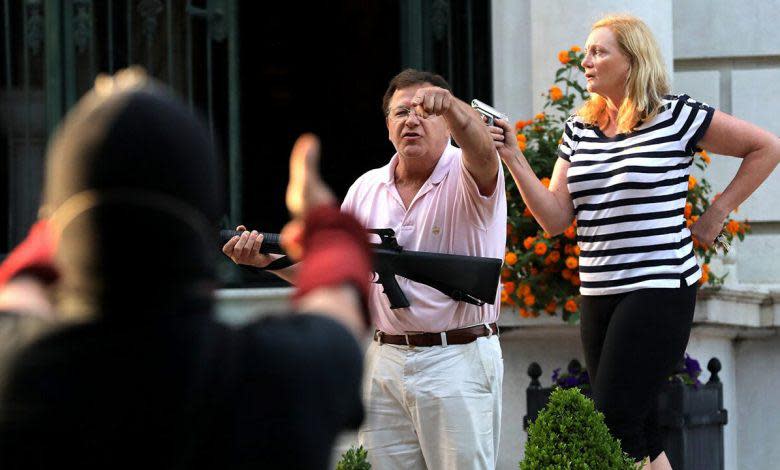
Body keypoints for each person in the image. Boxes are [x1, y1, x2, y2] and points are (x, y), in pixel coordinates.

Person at [0, 68, 373, 469]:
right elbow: (340, 300)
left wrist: (63, 209)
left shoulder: (17, 370)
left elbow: (19, 283)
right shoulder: (272, 375)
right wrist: (323, 221)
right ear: (205, 218)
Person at [490, 14, 780, 469]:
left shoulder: (675, 114)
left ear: (633, 59)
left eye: (599, 51)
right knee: (639, 429)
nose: (587, 60)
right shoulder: (578, 130)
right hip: (598, 290)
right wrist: (512, 156)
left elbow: (767, 147)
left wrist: (718, 211)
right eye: (586, 52)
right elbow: (554, 219)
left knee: (611, 423)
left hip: (659, 288)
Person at [223, 69, 507, 469]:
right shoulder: (366, 187)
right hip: (384, 359)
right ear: (388, 126)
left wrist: (459, 112)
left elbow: (484, 153)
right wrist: (265, 262)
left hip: (457, 357)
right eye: (401, 112)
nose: (412, 120)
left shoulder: (468, 171)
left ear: (447, 123)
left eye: (426, 111)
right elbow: (336, 276)